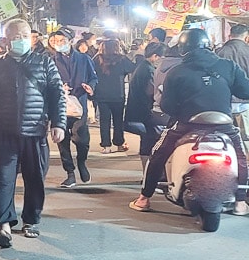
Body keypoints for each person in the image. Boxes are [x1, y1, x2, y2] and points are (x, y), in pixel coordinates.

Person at [131, 28, 249, 215]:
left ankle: (144, 198)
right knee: (242, 157)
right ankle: (241, 202)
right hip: (224, 125)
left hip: (187, 124)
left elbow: (167, 107)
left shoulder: (176, 72)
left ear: (182, 49)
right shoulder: (228, 66)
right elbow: (245, 92)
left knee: (157, 154)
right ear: (208, 45)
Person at [0, 18, 67, 246]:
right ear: (6, 40)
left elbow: (57, 95)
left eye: (24, 35)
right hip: (2, 133)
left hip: (35, 133)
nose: (20, 40)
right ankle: (5, 225)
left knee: (35, 178)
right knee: (3, 180)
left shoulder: (45, 62)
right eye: (14, 37)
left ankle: (32, 219)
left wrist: (59, 123)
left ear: (31, 37)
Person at [48, 29, 97, 188]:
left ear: (70, 41)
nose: (57, 44)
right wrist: (58, 87)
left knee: (81, 138)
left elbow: (93, 77)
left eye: (61, 40)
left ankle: (82, 162)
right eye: (55, 41)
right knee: (62, 139)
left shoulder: (84, 59)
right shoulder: (51, 60)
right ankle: (69, 173)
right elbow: (46, 81)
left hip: (79, 102)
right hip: (59, 104)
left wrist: (89, 87)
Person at [126, 42, 166, 173]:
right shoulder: (148, 70)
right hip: (145, 113)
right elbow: (151, 92)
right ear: (155, 56)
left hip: (139, 111)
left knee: (146, 142)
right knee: (150, 142)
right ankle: (149, 174)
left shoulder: (142, 66)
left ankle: (147, 174)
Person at [93, 39, 136, 153]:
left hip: (101, 94)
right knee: (118, 120)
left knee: (104, 120)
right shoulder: (122, 59)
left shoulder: (97, 59)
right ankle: (119, 143)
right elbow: (132, 68)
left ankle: (106, 146)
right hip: (118, 94)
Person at [216, 23, 249, 140]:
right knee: (245, 137)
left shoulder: (219, 52)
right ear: (246, 38)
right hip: (245, 103)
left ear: (230, 36)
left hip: (224, 103)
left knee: (226, 137)